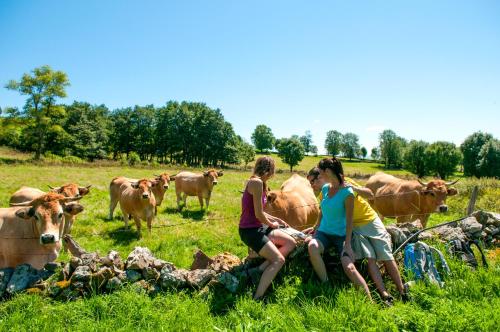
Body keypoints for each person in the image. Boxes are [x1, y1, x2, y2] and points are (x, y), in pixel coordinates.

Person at [306, 167, 408, 303]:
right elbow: (323, 210)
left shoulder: (345, 183)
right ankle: (384, 294)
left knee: (386, 256)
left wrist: (354, 188)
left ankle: (402, 292)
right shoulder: (325, 191)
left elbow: (370, 194)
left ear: (323, 176)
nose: (311, 185)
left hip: (369, 221)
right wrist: (315, 227)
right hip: (354, 227)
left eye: (313, 181)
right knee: (370, 258)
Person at [304, 158, 372, 300]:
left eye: (320, 172)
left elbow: (349, 221)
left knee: (349, 267)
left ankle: (370, 300)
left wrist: (347, 244)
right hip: (324, 233)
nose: (319, 175)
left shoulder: (347, 193)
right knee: (312, 246)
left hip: (341, 236)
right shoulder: (326, 188)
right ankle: (325, 283)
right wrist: (315, 227)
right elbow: (322, 210)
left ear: (327, 171)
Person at [239, 156, 297, 299]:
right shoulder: (256, 183)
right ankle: (257, 297)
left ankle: (259, 270)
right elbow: (259, 214)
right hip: (250, 230)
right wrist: (272, 224)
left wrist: (277, 219)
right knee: (279, 260)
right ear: (268, 170)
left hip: (258, 228)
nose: (273, 174)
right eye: (273, 170)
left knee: (291, 242)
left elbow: (260, 211)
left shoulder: (261, 184)